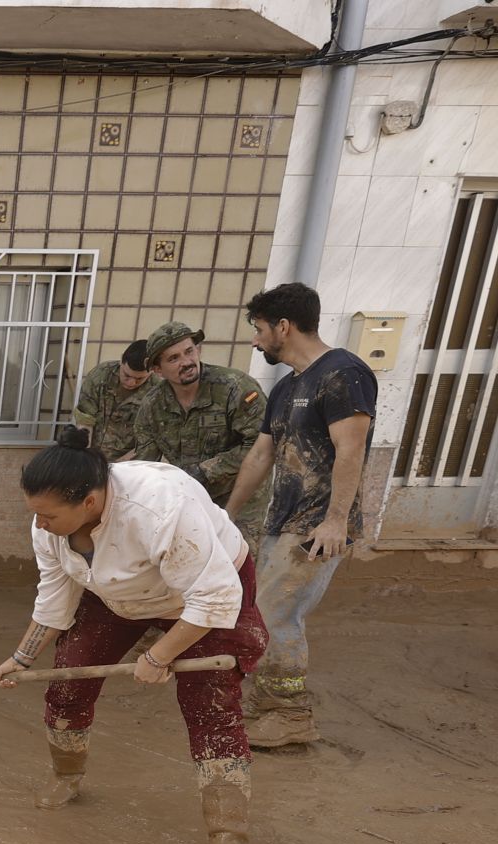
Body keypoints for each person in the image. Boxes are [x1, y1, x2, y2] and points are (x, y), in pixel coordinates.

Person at [0, 428, 271, 844]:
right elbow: (55, 595)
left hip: (198, 596)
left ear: (88, 502)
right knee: (67, 683)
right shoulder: (49, 526)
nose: (39, 524)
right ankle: (66, 774)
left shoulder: (159, 507)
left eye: (47, 515)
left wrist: (159, 656)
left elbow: (214, 599)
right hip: (115, 596)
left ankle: (229, 835)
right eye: (35, 515)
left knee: (210, 705)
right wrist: (22, 658)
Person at [227, 282, 376, 749]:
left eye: (259, 329)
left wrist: (334, 522)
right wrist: (225, 516)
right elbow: (260, 456)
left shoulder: (344, 374)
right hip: (283, 521)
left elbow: (350, 451)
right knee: (262, 612)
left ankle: (290, 716)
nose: (256, 339)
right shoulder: (288, 386)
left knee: (276, 616)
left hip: (316, 526)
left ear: (283, 327)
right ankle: (272, 701)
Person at [130, 321, 268, 542]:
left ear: (198, 350)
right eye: (173, 358)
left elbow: (261, 446)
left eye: (189, 351)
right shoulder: (152, 406)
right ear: (157, 369)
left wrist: (206, 471)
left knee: (237, 566)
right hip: (190, 500)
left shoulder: (235, 388)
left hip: (241, 499)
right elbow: (145, 464)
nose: (186, 362)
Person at [73, 339, 155, 460]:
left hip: (129, 463)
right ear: (121, 360)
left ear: (151, 372)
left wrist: (118, 464)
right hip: (92, 455)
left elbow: (150, 440)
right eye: (127, 375)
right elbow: (85, 422)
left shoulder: (157, 392)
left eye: (140, 379)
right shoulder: (100, 376)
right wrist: (85, 457)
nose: (131, 382)